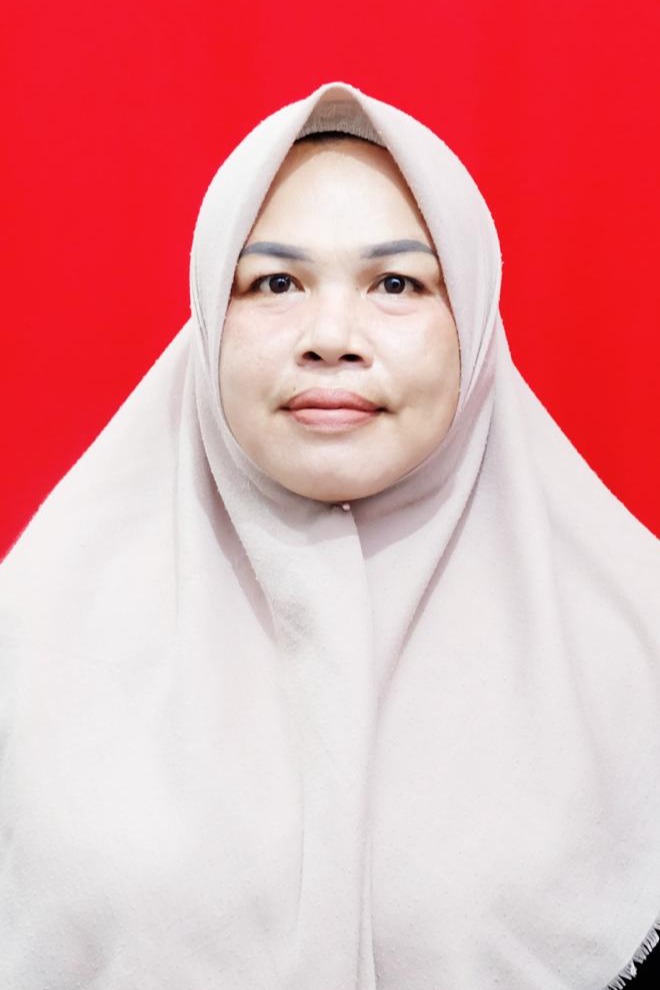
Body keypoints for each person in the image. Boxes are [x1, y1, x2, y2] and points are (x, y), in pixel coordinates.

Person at [0, 82, 658, 990]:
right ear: (209, 314)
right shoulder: (37, 631)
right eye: (275, 283)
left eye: (397, 283)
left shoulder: (634, 637)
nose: (332, 337)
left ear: (472, 317)